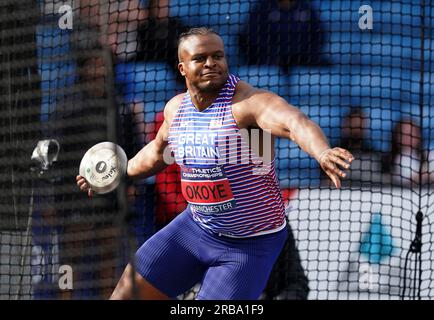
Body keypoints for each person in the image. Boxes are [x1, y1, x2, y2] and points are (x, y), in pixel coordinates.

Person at [77, 27, 353, 300]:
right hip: (196, 228)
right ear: (183, 68)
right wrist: (119, 173)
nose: (211, 63)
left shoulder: (248, 104)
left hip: (248, 244)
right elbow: (157, 153)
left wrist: (322, 152)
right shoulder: (176, 109)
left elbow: (295, 123)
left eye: (217, 56)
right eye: (200, 58)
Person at [240, 0, 327, 71]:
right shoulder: (262, 7)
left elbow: (318, 36)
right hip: (268, 63)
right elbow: (252, 37)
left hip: (302, 62)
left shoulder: (306, 7)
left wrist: (303, 56)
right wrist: (272, 55)